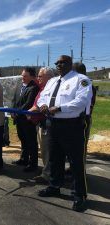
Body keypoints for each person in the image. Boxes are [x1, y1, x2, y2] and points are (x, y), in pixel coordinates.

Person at [37, 55, 92, 212]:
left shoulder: (80, 80)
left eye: (62, 62)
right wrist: (42, 105)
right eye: (57, 63)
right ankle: (54, 186)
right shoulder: (52, 81)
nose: (59, 65)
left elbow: (81, 102)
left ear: (70, 63)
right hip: (52, 124)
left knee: (75, 162)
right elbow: (43, 97)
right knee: (55, 158)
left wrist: (60, 108)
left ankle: (79, 195)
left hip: (71, 125)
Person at [28, 67, 54, 183]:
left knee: (47, 151)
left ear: (49, 77)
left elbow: (40, 107)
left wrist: (29, 112)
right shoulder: (42, 89)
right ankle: (47, 171)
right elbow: (36, 104)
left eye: (40, 76)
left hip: (47, 125)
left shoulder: (50, 90)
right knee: (44, 151)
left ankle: (48, 175)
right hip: (40, 124)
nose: (38, 78)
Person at [12, 67, 39, 172]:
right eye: (22, 75)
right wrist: (13, 111)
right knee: (23, 139)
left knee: (31, 141)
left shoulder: (33, 88)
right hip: (19, 118)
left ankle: (33, 164)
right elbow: (15, 100)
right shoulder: (20, 86)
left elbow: (28, 103)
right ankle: (24, 159)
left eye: (25, 76)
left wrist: (16, 112)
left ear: (31, 77)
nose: (22, 77)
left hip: (27, 120)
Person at [72, 62, 97, 153]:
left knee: (81, 146)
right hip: (75, 118)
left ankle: (81, 167)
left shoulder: (86, 84)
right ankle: (74, 166)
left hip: (83, 118)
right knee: (73, 145)